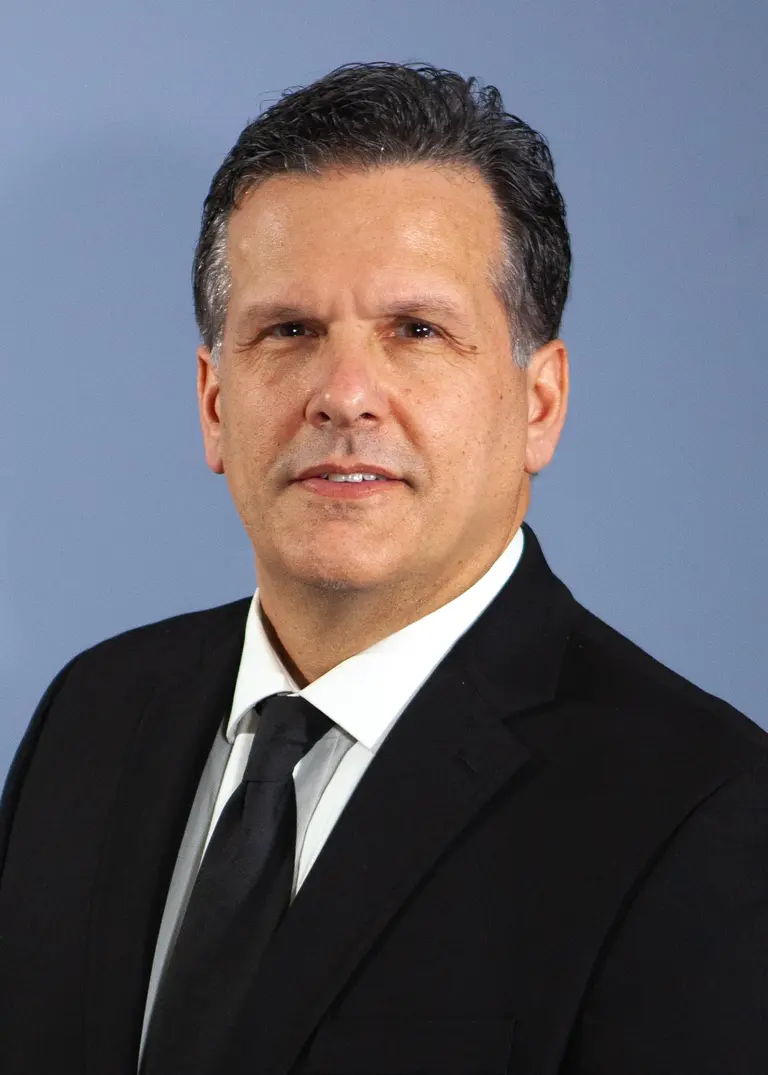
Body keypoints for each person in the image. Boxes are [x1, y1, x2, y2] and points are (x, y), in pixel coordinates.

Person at [1, 61, 766, 1075]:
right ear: (214, 404)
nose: (345, 393)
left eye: (416, 331)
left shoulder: (700, 809)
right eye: (289, 330)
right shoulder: (91, 717)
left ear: (539, 404)